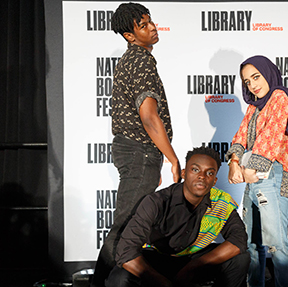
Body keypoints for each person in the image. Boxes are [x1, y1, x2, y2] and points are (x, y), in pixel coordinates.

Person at [93, 3, 181, 286]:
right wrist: (172, 158)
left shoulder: (130, 60)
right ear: (130, 36)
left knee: (134, 222)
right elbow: (149, 116)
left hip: (138, 151)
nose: (152, 27)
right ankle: (100, 282)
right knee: (126, 224)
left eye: (150, 21)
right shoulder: (141, 60)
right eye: (143, 25)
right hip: (139, 150)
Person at [105, 147, 250, 287]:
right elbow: (125, 251)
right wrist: (163, 283)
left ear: (214, 181)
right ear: (183, 173)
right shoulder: (157, 201)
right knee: (119, 278)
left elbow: (239, 240)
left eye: (210, 173)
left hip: (194, 261)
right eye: (195, 170)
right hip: (157, 261)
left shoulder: (221, 202)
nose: (202, 176)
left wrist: (193, 267)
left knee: (240, 259)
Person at [224, 55, 288, 287]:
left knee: (277, 246)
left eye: (256, 77)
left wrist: (247, 169)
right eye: (247, 81)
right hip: (252, 176)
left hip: (273, 174)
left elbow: (271, 138)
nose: (252, 84)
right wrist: (234, 162)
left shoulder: (280, 96)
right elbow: (240, 136)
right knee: (251, 247)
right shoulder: (254, 106)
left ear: (268, 72)